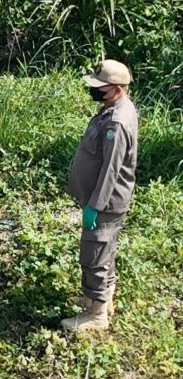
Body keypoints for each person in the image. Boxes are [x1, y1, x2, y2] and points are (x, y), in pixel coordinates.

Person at [61, 56, 138, 333]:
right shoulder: (114, 107)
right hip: (102, 199)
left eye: (99, 88)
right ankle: (104, 297)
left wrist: (95, 205)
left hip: (105, 201)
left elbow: (111, 170)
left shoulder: (117, 122)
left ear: (117, 89)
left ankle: (96, 313)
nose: (94, 90)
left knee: (94, 254)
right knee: (105, 249)